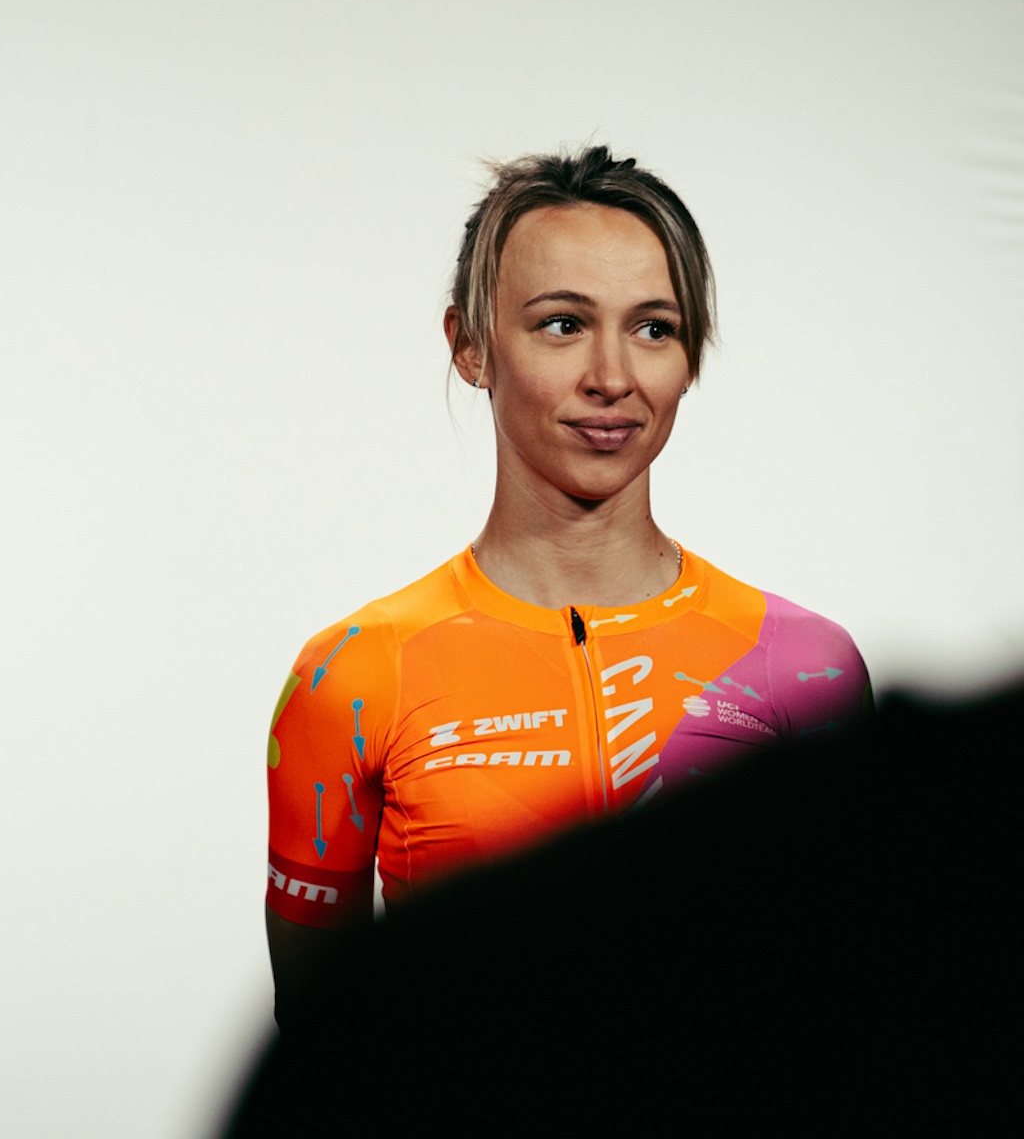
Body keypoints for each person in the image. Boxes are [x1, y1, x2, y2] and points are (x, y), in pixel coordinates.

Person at [263, 146, 872, 1019]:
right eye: (561, 323)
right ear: (471, 348)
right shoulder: (354, 676)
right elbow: (319, 1057)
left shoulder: (805, 667)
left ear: (691, 356)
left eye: (654, 328)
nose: (612, 378)